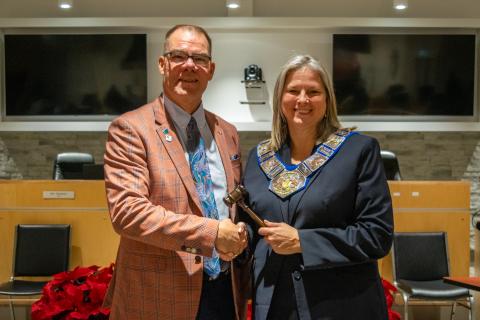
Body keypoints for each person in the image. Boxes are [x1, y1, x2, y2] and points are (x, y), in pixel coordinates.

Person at [103, 24, 249, 320]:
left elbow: (234, 204)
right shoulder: (131, 129)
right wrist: (211, 233)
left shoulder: (227, 132)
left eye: (200, 58)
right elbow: (128, 212)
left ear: (211, 69)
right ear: (162, 64)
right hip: (158, 296)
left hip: (224, 291)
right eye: (179, 56)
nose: (190, 65)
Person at [242, 55, 394, 320]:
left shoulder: (358, 151)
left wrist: (303, 242)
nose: (302, 100)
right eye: (293, 91)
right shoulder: (258, 157)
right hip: (275, 303)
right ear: (280, 98)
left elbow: (376, 236)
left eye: (313, 92)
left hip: (340, 304)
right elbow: (250, 229)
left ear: (327, 100)